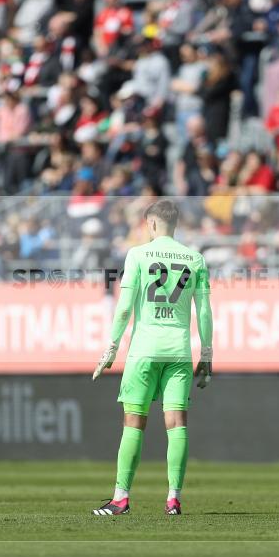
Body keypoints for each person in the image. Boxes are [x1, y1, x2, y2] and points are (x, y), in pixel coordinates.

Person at [91, 200, 213, 517]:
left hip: (144, 350)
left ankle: (121, 499)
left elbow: (124, 307)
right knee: (176, 423)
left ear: (151, 223)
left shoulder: (138, 254)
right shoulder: (195, 258)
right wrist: (208, 353)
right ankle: (173, 499)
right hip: (179, 351)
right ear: (175, 224)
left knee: (134, 421)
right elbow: (204, 311)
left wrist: (111, 348)